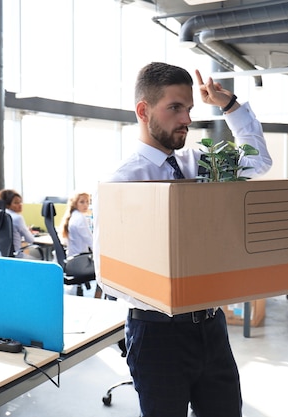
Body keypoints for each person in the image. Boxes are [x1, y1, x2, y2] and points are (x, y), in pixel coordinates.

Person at [93, 62, 272, 417]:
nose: (187, 119)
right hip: (158, 333)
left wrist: (230, 105)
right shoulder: (123, 183)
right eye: (175, 108)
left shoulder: (203, 163)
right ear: (144, 111)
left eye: (189, 109)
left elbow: (260, 162)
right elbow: (108, 276)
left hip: (211, 326)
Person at [0, 189, 38, 259]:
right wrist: (28, 231)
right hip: (16, 256)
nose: (20, 205)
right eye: (16, 203)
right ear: (7, 205)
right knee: (38, 259)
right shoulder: (17, 218)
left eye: (20, 202)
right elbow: (30, 240)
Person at [60, 191, 93, 257]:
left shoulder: (72, 216)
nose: (86, 205)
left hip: (72, 257)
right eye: (82, 202)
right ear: (75, 203)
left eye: (87, 202)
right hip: (80, 259)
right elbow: (90, 241)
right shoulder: (80, 218)